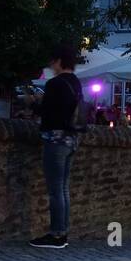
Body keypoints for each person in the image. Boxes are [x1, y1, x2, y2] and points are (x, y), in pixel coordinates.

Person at [26, 44, 84, 249]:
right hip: (72, 139)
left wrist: (33, 103)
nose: (51, 65)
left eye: (53, 61)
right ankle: (63, 231)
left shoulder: (55, 83)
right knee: (64, 188)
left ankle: (56, 234)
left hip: (55, 139)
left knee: (55, 189)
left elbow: (47, 112)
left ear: (59, 61)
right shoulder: (76, 83)